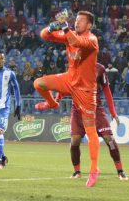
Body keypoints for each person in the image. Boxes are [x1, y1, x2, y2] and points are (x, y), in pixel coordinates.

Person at [33, 10, 100, 187]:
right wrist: (51, 27)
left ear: (89, 25)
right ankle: (52, 103)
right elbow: (44, 35)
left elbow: (76, 41)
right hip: (69, 79)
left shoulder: (92, 40)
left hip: (85, 90)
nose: (77, 23)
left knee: (91, 132)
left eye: (81, 21)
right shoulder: (69, 34)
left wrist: (64, 27)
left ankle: (94, 170)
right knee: (38, 83)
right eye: (76, 20)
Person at [59, 63, 128, 181]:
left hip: (96, 110)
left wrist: (113, 112)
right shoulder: (74, 67)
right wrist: (56, 99)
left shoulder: (100, 69)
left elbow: (107, 91)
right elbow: (66, 86)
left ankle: (120, 171)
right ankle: (77, 172)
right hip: (78, 110)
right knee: (75, 141)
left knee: (109, 140)